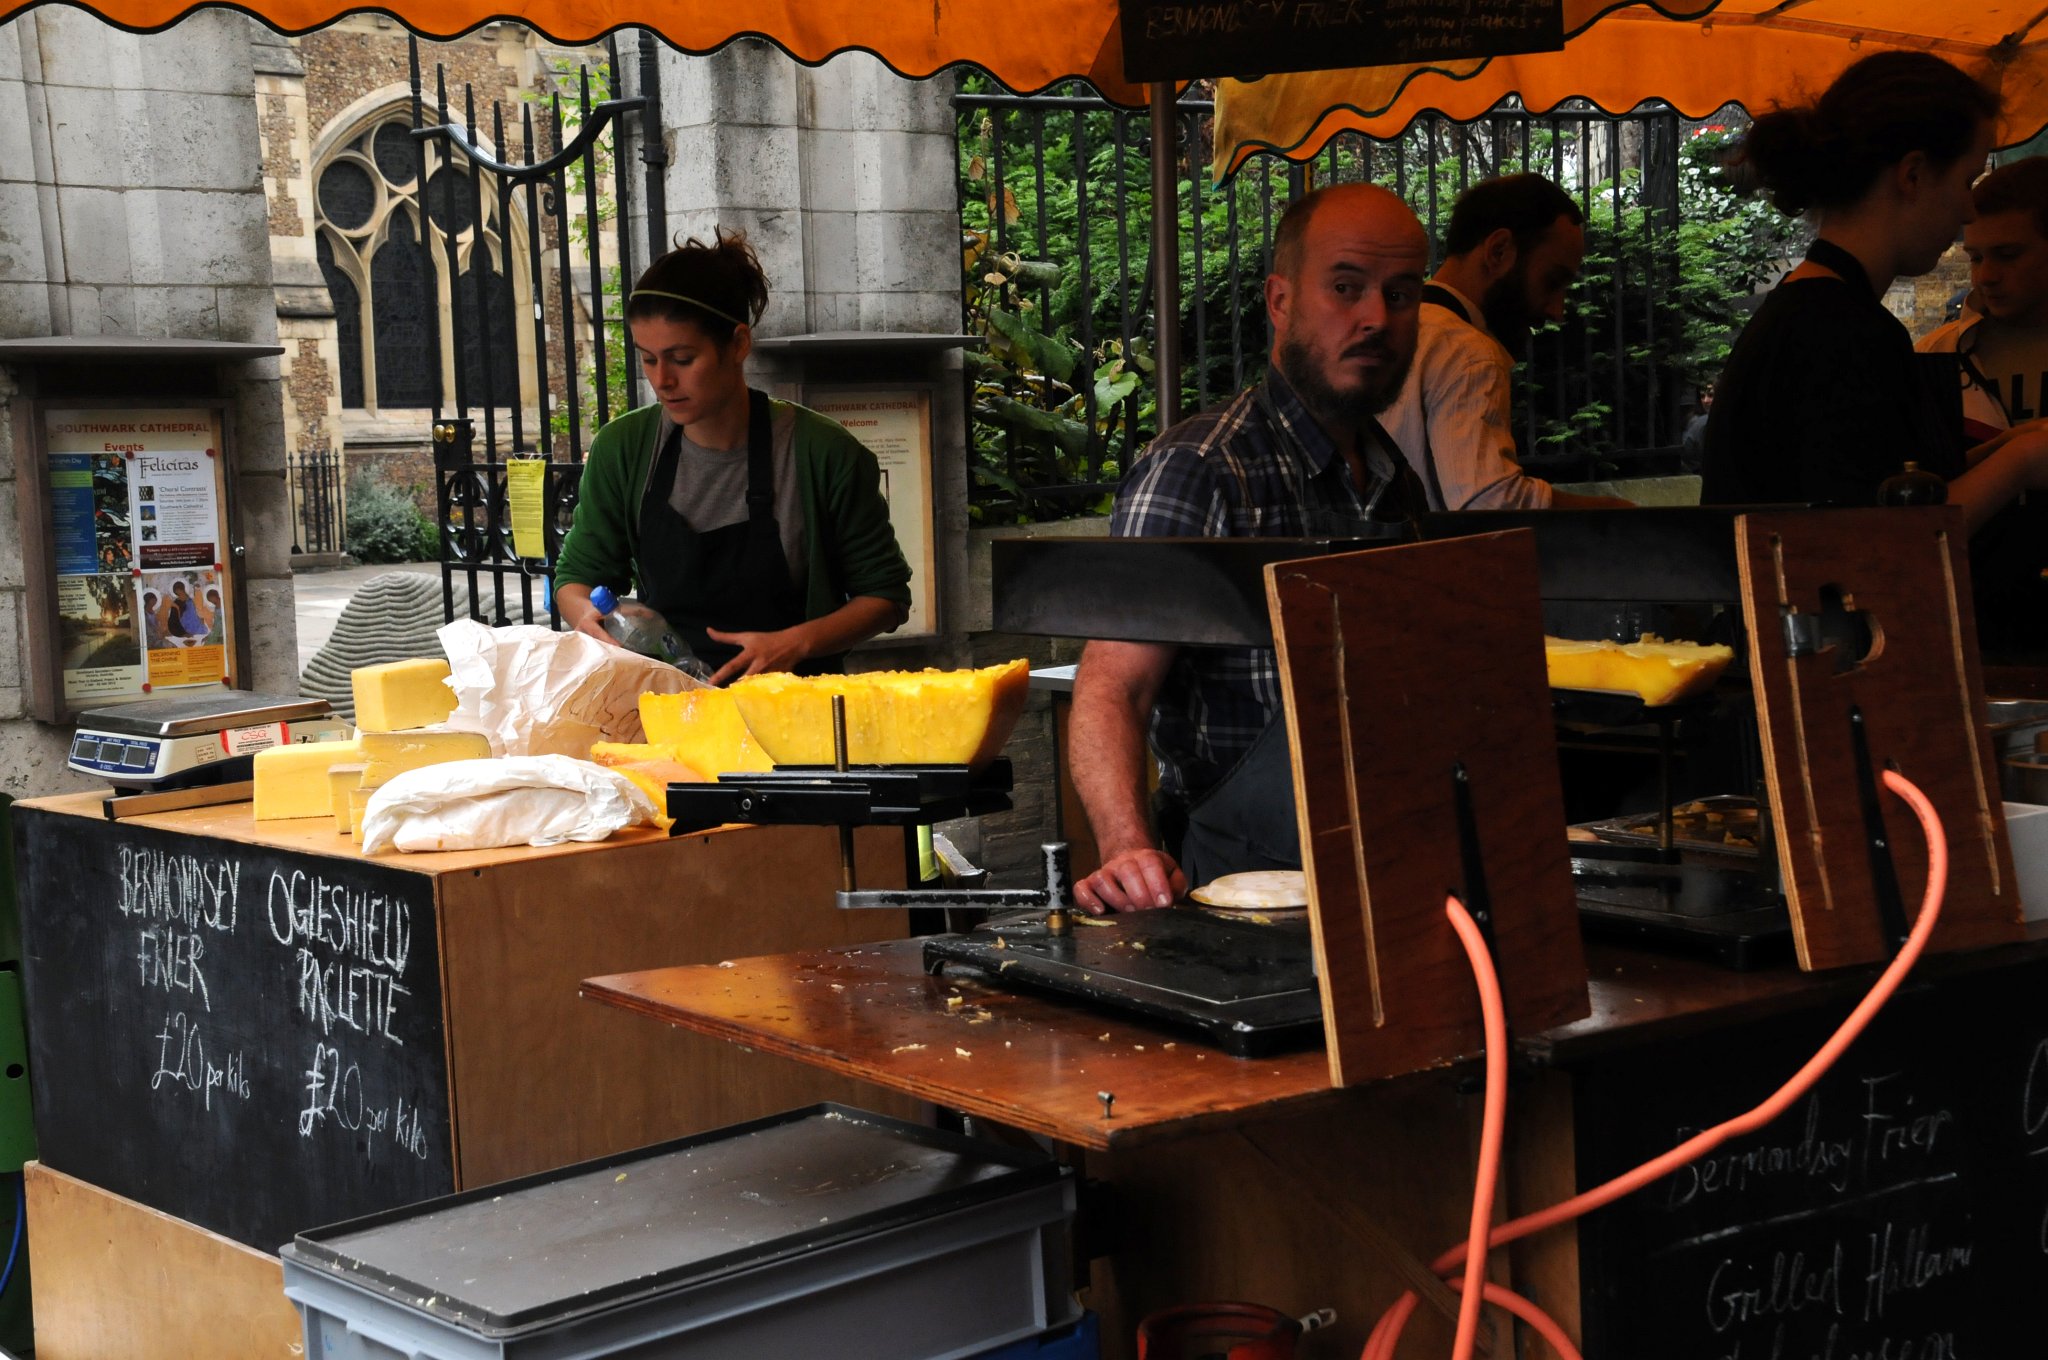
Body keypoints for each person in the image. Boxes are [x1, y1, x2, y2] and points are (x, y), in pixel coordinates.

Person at [1070, 183, 1430, 913]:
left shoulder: (1395, 480)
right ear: (1280, 301)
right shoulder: (1201, 470)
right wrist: (1125, 847)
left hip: (1387, 852)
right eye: (1345, 287)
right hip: (1241, 874)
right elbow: (1114, 686)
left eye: (1400, 294)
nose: (1375, 318)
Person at [1701, 51, 2048, 536]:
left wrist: (2009, 447)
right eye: (1966, 180)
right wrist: (2023, 461)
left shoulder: (1809, 312)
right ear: (1913, 175)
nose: (1969, 210)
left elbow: (1884, 482)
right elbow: (1879, 542)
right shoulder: (1840, 333)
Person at [553, 229, 912, 684]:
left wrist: (795, 643)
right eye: (648, 359)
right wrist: (586, 616)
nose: (662, 380)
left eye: (682, 358)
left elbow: (885, 597)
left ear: (738, 344)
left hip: (797, 708)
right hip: (670, 706)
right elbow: (577, 576)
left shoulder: (823, 454)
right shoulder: (623, 450)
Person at [1382, 173, 1629, 511]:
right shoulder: (1468, 352)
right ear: (1498, 252)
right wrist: (1616, 513)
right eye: (1552, 281)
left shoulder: (1398, 331)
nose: (1557, 311)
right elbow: (1491, 504)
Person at [1916, 155, 2048, 656]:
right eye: (1975, 257)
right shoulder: (1937, 357)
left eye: (2008, 255)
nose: (1986, 275)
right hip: (1976, 630)